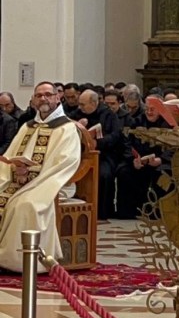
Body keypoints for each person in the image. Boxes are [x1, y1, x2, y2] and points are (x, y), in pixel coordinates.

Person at [0, 82, 81, 271]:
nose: (43, 98)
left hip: (52, 183)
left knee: (26, 206)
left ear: (57, 97)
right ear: (34, 100)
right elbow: (10, 157)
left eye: (48, 94)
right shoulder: (27, 127)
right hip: (20, 181)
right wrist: (15, 169)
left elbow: (65, 163)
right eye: (38, 95)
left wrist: (31, 177)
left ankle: (20, 262)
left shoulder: (67, 129)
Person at [71, 89, 121, 218]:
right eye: (79, 104)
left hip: (103, 155)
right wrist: (76, 126)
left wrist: (98, 143)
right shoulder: (77, 114)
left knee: (104, 175)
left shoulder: (108, 115)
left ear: (93, 103)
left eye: (83, 104)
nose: (79, 107)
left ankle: (101, 211)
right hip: (80, 154)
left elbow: (115, 136)